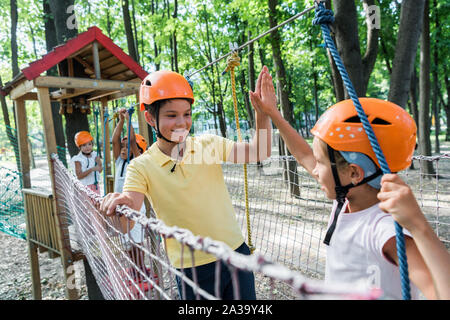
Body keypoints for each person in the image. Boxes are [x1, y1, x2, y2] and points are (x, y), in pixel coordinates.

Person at [99, 67, 274, 299]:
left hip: (235, 255)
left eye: (187, 114)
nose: (182, 122)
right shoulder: (141, 166)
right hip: (192, 268)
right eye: (171, 115)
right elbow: (127, 222)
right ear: (150, 118)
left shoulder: (208, 145)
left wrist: (263, 114)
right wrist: (121, 206)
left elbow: (259, 151)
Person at [251, 92, 438, 299]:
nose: (315, 170)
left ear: (354, 173)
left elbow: (437, 289)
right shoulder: (346, 200)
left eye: (320, 163)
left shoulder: (384, 229)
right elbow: (304, 155)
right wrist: (273, 114)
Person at [378, 173, 450, 299]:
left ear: (354, 173)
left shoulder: (387, 231)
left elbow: (437, 293)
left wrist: (417, 225)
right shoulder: (341, 207)